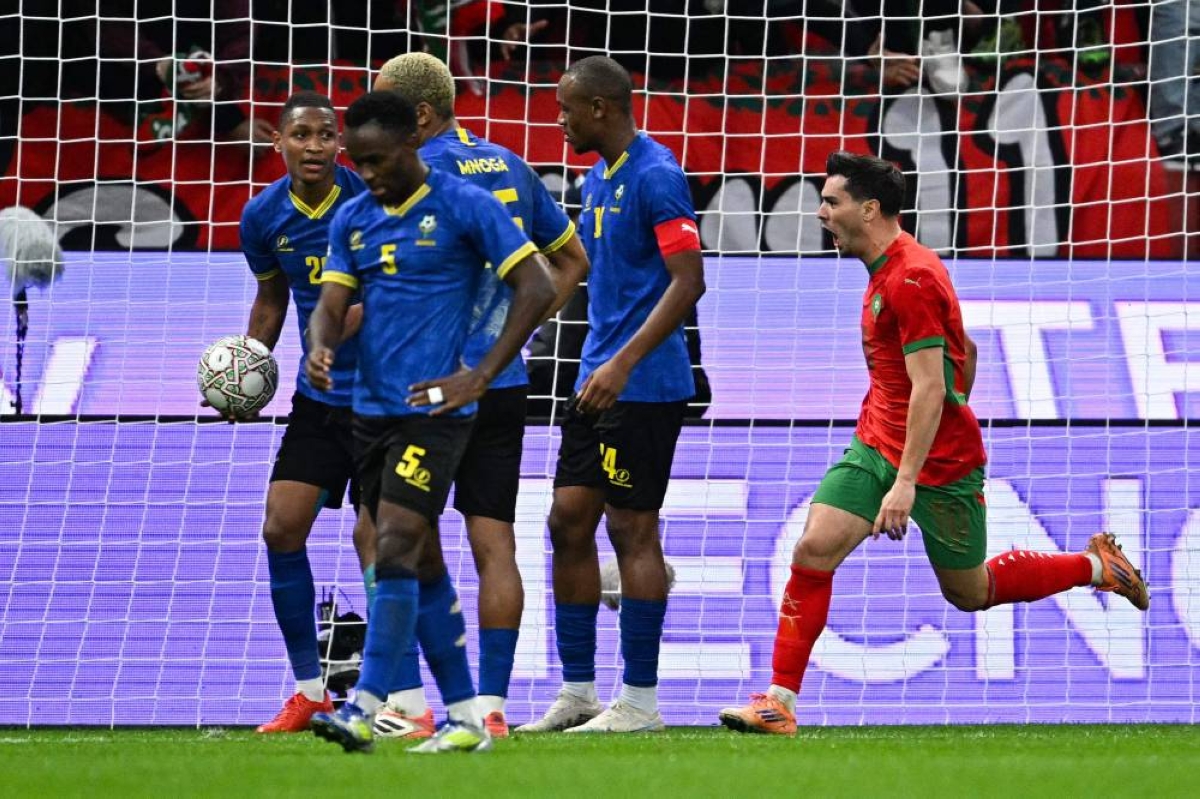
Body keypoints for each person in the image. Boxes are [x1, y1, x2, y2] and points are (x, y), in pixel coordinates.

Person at [718, 151, 1150, 736]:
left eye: (831, 201)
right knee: (813, 551)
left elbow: (929, 387)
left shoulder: (911, 277)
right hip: (876, 442)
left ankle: (1095, 566)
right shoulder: (890, 268)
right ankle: (778, 702)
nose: (819, 212)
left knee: (970, 593)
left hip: (937, 466)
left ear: (868, 210)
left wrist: (905, 481)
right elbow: (963, 351)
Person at [305, 90, 555, 754]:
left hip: (437, 411)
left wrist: (479, 371)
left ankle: (363, 704)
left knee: (393, 542)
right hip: (370, 410)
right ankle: (468, 715)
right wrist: (319, 343)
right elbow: (332, 300)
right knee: (422, 561)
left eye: (378, 160)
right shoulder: (355, 217)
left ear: (412, 144)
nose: (368, 174)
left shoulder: (465, 204)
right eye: (356, 163)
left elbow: (540, 284)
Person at [366, 51, 589, 741]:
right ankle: (490, 707)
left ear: (420, 116)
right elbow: (571, 260)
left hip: (429, 387)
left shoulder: (413, 181)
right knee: (494, 540)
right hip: (503, 380)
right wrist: (508, 340)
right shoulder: (510, 166)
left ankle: (406, 700)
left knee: (390, 534)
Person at [515, 55, 705, 734]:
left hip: (643, 384)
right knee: (567, 521)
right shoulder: (598, 178)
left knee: (631, 529)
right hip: (593, 379)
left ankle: (641, 703)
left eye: (566, 108)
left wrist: (623, 363)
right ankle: (577, 692)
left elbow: (688, 282)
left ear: (601, 107)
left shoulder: (658, 175)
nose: (558, 119)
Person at [234, 90, 371, 733]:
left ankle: (389, 696)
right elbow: (270, 302)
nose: (313, 146)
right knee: (281, 528)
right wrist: (246, 371)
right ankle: (310, 691)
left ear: (339, 143)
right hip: (318, 401)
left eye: (324, 134)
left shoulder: (371, 200)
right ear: (279, 142)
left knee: (379, 542)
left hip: (382, 397)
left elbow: (387, 296)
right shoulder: (262, 216)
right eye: (301, 135)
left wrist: (325, 337)